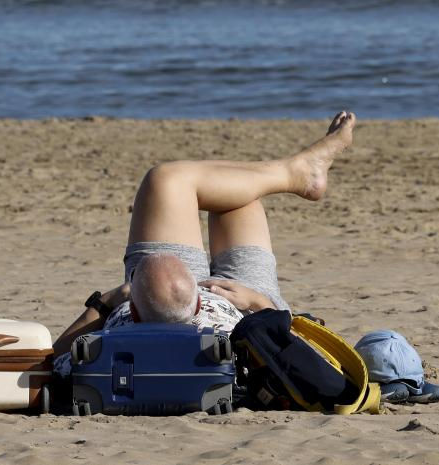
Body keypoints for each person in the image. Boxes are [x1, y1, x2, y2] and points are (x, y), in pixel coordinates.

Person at [52, 111, 357, 374]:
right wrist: (259, 304)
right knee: (220, 197)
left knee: (207, 189)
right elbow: (297, 354)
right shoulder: (227, 341)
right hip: (246, 310)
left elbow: (51, 362)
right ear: (198, 301)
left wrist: (107, 303)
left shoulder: (116, 338)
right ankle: (296, 173)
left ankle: (297, 172)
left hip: (170, 303)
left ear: (133, 311)